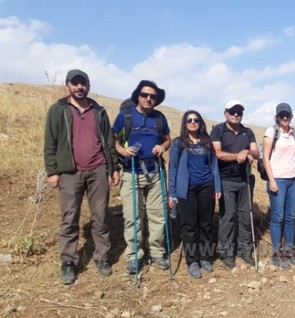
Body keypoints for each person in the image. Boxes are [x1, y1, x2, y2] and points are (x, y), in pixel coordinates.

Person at [44, 69, 120, 285]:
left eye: (83, 83)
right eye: (75, 83)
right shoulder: (58, 110)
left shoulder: (99, 111)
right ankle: (68, 262)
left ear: (88, 85)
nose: (79, 87)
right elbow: (50, 143)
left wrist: (113, 168)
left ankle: (102, 257)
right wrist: (52, 171)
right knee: (69, 218)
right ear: (67, 85)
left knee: (100, 216)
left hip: (97, 170)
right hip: (70, 171)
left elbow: (108, 142)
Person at [113, 80, 171, 274]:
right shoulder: (126, 116)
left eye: (152, 96)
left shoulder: (159, 118)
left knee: (158, 215)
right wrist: (122, 150)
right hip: (131, 172)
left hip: (155, 172)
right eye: (145, 95)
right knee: (132, 217)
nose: (148, 98)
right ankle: (133, 256)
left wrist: (162, 147)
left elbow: (167, 138)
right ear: (138, 96)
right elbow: (113, 139)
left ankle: (156, 253)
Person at [168, 110, 221, 278]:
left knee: (205, 224)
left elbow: (214, 166)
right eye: (189, 120)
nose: (193, 122)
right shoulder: (179, 143)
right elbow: (173, 168)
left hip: (207, 187)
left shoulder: (207, 142)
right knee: (189, 226)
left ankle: (205, 257)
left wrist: (217, 187)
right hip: (187, 189)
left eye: (196, 120)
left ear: (200, 123)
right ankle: (192, 261)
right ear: (185, 123)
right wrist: (172, 193)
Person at [210, 100, 260, 269]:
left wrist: (246, 152)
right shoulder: (218, 130)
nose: (236, 114)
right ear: (225, 113)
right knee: (228, 216)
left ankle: (245, 250)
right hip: (226, 180)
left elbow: (256, 152)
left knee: (246, 216)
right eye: (233, 112)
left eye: (239, 112)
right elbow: (217, 153)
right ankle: (226, 252)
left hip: (245, 179)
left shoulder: (247, 131)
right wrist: (238, 155)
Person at [262, 103, 295, 269]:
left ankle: (289, 251)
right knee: (278, 217)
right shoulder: (271, 132)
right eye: (281, 115)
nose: (284, 118)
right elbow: (265, 158)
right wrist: (271, 180)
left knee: (291, 216)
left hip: (294, 179)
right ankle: (277, 253)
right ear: (277, 117)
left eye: (287, 115)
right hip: (278, 178)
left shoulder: (294, 132)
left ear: (291, 116)